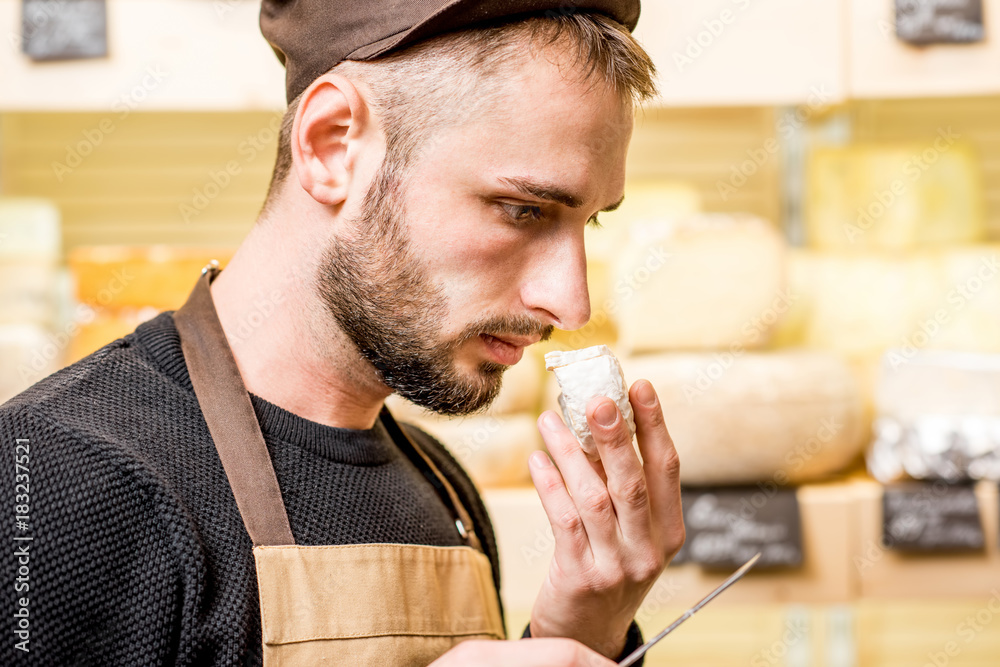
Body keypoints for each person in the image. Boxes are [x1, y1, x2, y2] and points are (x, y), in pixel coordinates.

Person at [1, 1, 685, 664]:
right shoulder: (57, 479)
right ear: (332, 145)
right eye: (523, 210)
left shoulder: (445, 490)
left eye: (590, 222)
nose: (571, 302)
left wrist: (577, 636)